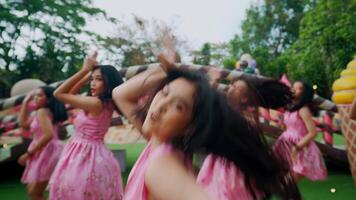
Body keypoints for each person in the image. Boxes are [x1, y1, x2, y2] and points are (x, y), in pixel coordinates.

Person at [113, 50, 300, 200]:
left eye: (178, 106)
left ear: (191, 126)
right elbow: (120, 94)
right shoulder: (158, 138)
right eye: (164, 92)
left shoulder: (161, 165)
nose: (161, 106)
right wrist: (170, 70)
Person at [198, 71, 293, 200]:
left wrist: (214, 81)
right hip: (219, 167)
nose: (229, 88)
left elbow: (207, 106)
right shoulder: (235, 113)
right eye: (231, 85)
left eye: (235, 87)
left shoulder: (242, 118)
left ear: (244, 98)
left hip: (229, 174)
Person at [49, 52, 124, 199]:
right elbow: (70, 93)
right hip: (91, 153)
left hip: (84, 155)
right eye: (91, 80)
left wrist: (85, 70)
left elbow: (59, 93)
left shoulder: (95, 103)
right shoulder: (104, 102)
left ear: (108, 83)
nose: (92, 83)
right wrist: (88, 75)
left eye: (99, 80)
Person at [18, 86, 67, 200]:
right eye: (35, 95)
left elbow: (48, 135)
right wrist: (25, 103)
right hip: (43, 150)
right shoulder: (40, 112)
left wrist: (28, 154)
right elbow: (23, 124)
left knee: (35, 192)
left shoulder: (42, 111)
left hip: (48, 151)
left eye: (39, 95)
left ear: (48, 99)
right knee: (32, 191)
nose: (35, 98)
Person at [274, 81, 327, 182]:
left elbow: (313, 133)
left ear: (304, 94)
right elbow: (289, 127)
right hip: (286, 143)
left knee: (290, 181)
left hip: (301, 147)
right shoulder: (289, 108)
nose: (293, 89)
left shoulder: (303, 110)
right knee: (286, 181)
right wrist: (282, 123)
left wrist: (297, 147)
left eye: (298, 88)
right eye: (293, 87)